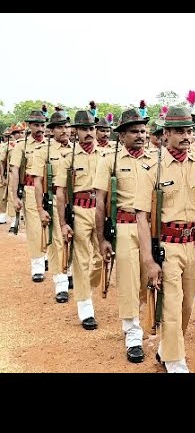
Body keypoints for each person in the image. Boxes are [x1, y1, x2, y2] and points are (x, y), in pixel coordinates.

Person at [134, 105, 195, 373]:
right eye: (179, 131)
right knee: (172, 304)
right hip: (168, 245)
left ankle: (167, 348)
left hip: (194, 244)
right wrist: (148, 260)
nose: (186, 136)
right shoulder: (152, 168)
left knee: (188, 305)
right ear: (166, 134)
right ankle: (176, 361)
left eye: (189, 130)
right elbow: (141, 216)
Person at [94, 108, 152, 363]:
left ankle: (139, 317)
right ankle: (132, 333)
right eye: (134, 131)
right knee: (128, 280)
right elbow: (100, 203)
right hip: (125, 225)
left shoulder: (156, 159)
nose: (140, 135)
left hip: (151, 228)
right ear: (122, 136)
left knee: (146, 279)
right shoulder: (109, 160)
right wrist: (102, 239)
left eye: (143, 130)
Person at [55, 110, 104, 329]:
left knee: (101, 258)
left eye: (91, 128)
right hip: (79, 210)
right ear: (75, 131)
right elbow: (60, 192)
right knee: (81, 259)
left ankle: (86, 284)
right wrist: (63, 223)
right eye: (84, 129)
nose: (89, 133)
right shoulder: (68, 158)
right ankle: (86, 308)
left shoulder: (106, 154)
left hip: (101, 211)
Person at [29, 108, 73, 302]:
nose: (64, 130)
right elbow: (38, 181)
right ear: (52, 130)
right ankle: (61, 283)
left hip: (76, 201)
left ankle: (69, 271)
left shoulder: (76, 150)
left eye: (66, 126)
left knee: (76, 242)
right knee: (58, 241)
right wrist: (40, 208)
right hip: (55, 199)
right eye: (60, 127)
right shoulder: (43, 151)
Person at [10, 109, 48, 282]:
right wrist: (15, 196)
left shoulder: (50, 145)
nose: (40, 128)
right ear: (30, 126)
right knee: (34, 228)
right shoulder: (21, 145)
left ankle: (47, 256)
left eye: (42, 124)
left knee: (49, 226)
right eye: (36, 125)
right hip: (30, 189)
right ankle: (37, 265)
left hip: (49, 191)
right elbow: (14, 170)